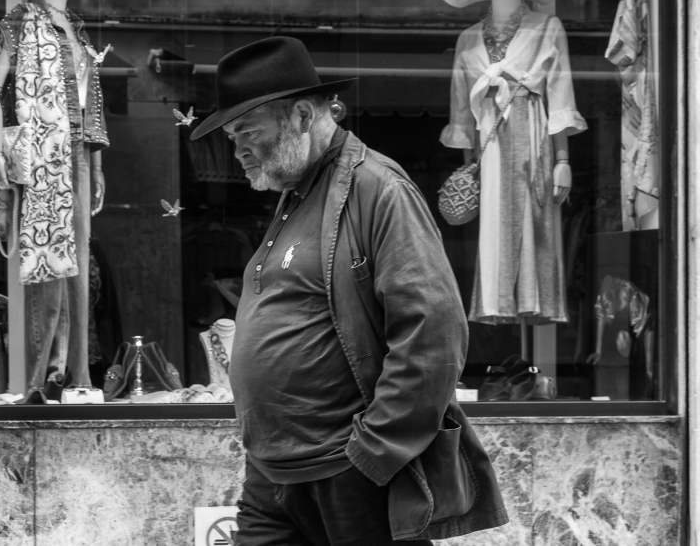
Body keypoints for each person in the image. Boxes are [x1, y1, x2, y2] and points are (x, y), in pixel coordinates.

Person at [190, 37, 509, 545]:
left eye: (248, 131)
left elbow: (434, 333)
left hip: (347, 472)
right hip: (273, 474)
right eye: (231, 137)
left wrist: (372, 455)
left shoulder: (377, 188)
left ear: (299, 115)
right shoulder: (295, 193)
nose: (238, 150)